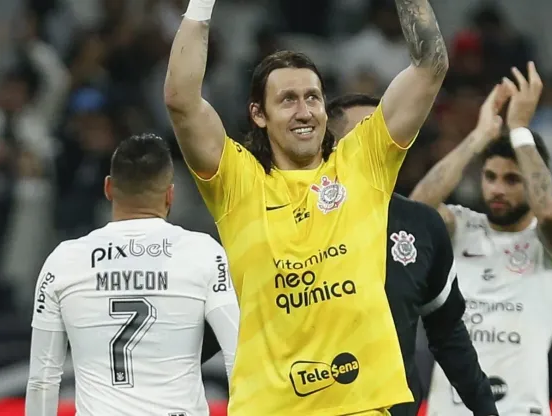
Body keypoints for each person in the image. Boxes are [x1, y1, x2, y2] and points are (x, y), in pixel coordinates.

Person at [164, 0, 448, 413]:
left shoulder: (362, 162)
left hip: (362, 406)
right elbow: (181, 99)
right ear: (258, 115)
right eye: (289, 100)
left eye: (313, 97)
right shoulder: (238, 182)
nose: (305, 111)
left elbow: (430, 67)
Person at [24, 134, 239, 416]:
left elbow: (43, 378)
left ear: (109, 187)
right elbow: (238, 355)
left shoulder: (64, 260)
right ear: (170, 194)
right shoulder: (203, 253)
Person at [411, 62, 552, 416]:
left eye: (512, 179)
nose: (497, 189)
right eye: (491, 177)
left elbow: (550, 214)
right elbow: (415, 213)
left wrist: (520, 131)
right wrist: (479, 136)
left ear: (533, 183)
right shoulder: (461, 226)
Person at [327, 94, 498, 416]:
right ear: (329, 147)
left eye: (384, 131)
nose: (379, 140)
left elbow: (448, 333)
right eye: (365, 132)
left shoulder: (421, 225)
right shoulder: (289, 220)